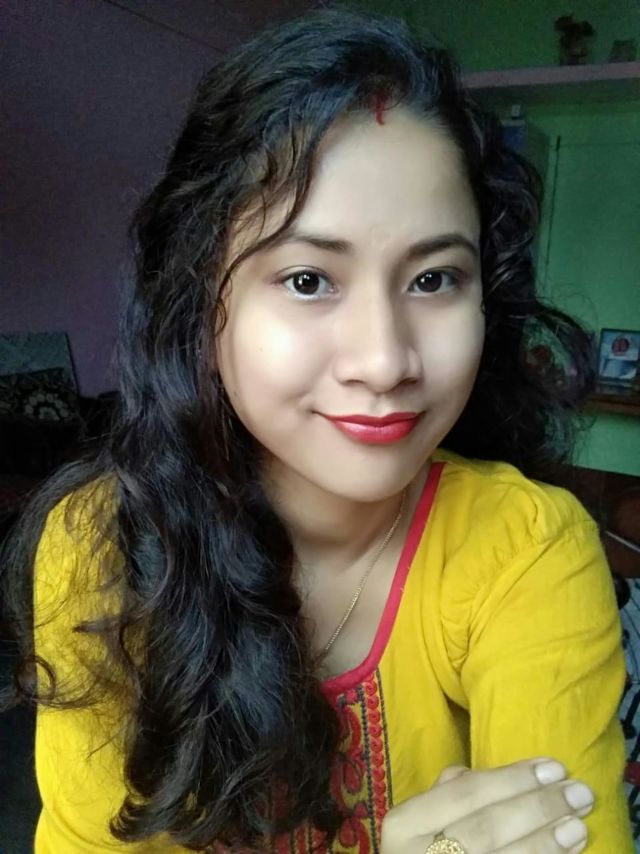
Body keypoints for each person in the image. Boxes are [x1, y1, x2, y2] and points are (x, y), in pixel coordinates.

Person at [0, 9, 634, 853]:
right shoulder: (100, 547)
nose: (384, 360)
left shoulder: (527, 547)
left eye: (434, 278)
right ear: (202, 299)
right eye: (307, 279)